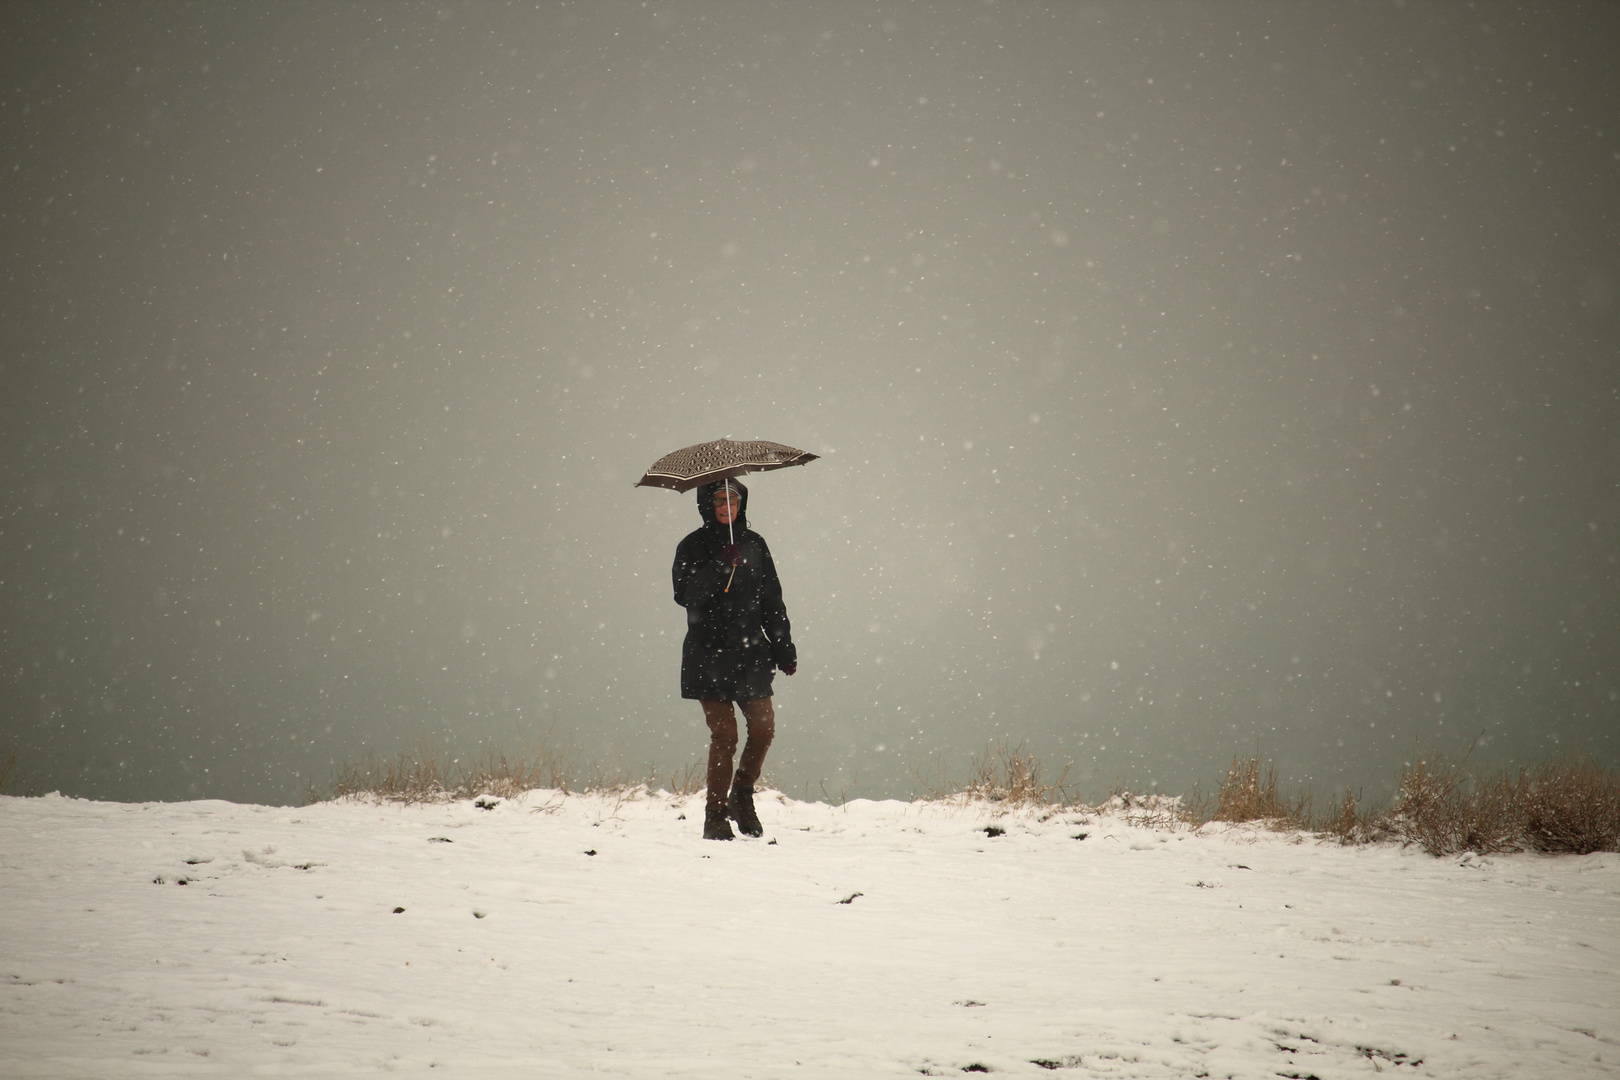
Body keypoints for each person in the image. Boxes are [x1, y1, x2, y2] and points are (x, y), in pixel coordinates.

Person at [672, 478, 796, 839]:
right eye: (719, 502)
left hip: (750, 654)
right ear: (706, 505)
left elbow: (772, 600)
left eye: (733, 500)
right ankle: (715, 815)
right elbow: (685, 595)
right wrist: (718, 568)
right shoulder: (692, 546)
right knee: (725, 735)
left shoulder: (755, 544)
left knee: (763, 728)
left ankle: (742, 795)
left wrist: (783, 645)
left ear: (742, 503)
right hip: (706, 655)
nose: (726, 507)